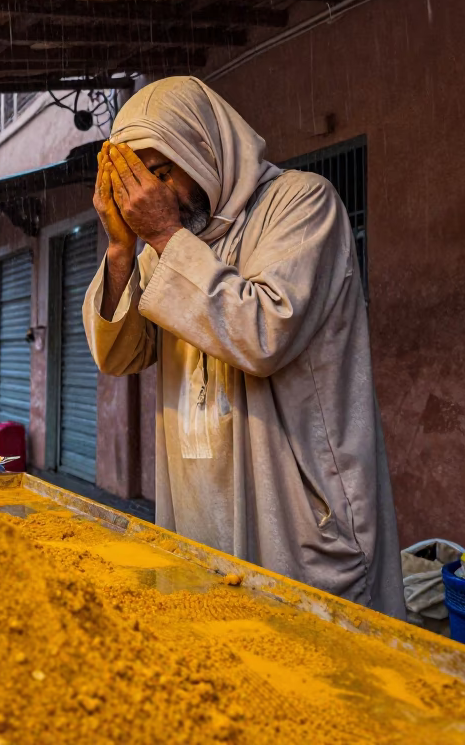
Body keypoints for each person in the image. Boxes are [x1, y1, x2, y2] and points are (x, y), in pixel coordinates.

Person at [82, 77, 403, 618]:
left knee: (310, 666)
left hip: (297, 511)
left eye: (161, 174)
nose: (147, 199)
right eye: (134, 185)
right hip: (198, 503)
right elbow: (119, 356)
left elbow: (262, 335)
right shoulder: (172, 241)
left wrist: (162, 237)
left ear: (203, 151)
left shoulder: (301, 203)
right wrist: (120, 247)